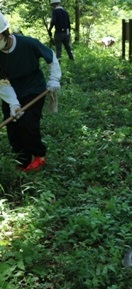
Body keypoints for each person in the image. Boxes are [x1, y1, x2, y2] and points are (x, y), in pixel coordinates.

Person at [0, 12, 61, 172]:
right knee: (12, 125)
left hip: (33, 87)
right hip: (10, 88)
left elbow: (51, 57)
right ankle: (22, 160)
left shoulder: (28, 43)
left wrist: (54, 79)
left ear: (5, 33)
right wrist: (13, 103)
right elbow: (1, 83)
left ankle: (39, 155)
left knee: (27, 124)